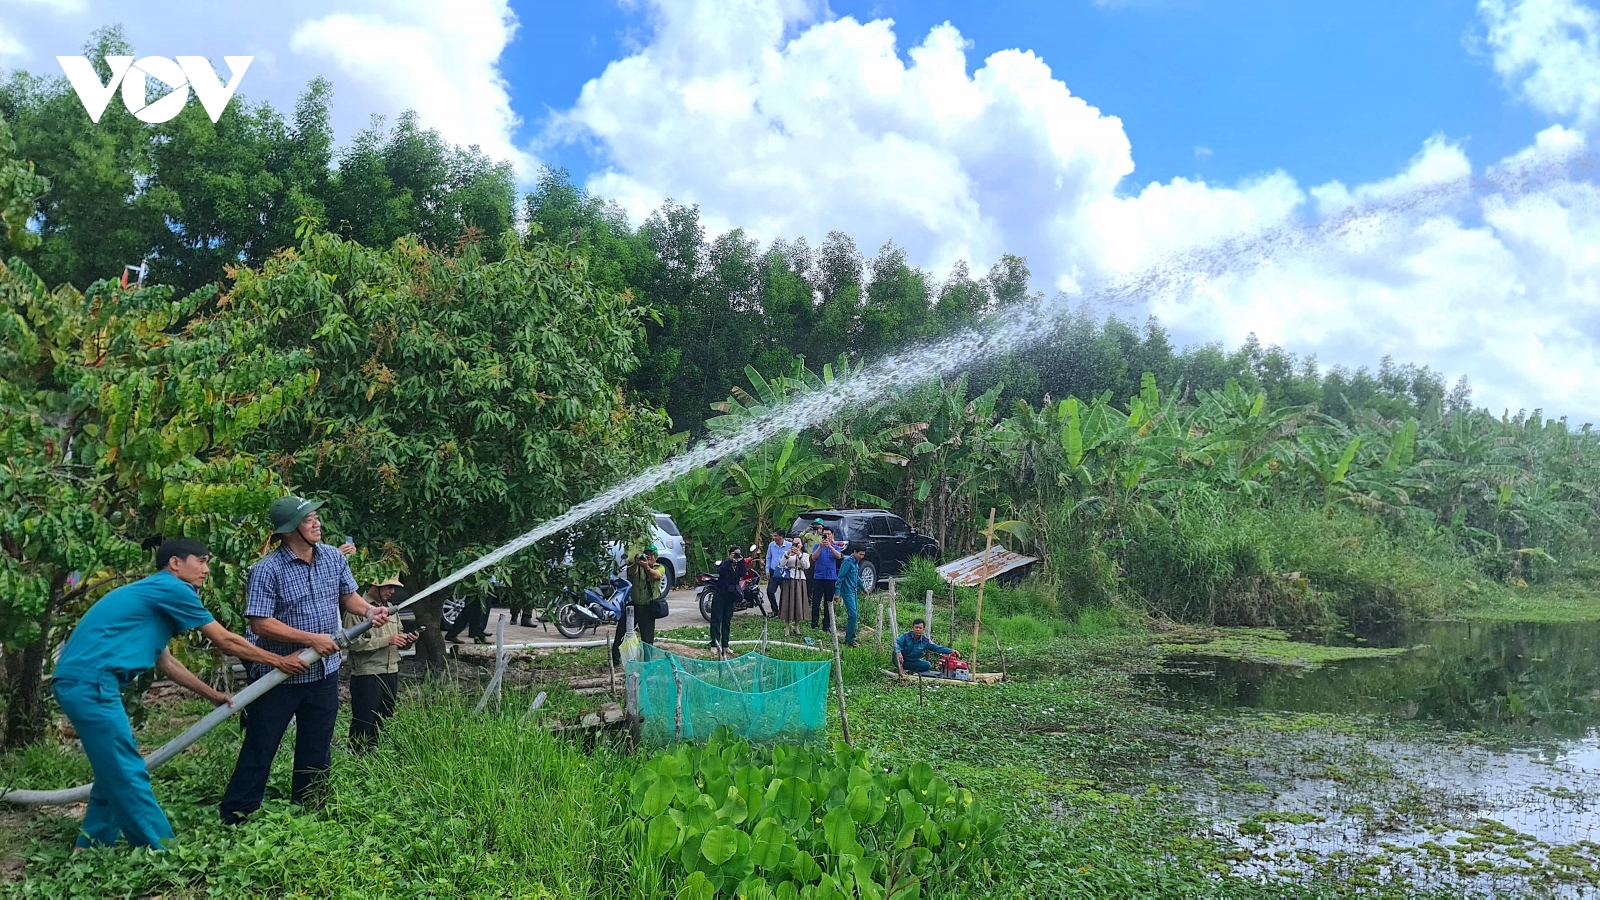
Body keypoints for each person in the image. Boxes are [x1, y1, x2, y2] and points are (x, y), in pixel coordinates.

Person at [52, 538, 310, 850]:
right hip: (91, 682)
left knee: (113, 767)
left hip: (87, 681)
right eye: (200, 561)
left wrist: (211, 694)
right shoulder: (171, 589)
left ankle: (91, 845)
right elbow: (225, 640)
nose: (206, 569)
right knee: (126, 768)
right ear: (175, 563)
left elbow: (166, 662)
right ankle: (160, 850)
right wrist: (279, 661)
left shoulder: (157, 594)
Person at [219, 496, 390, 825]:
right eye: (308, 519)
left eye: (316, 517)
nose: (317, 523)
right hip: (280, 673)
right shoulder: (267, 570)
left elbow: (347, 595)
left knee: (317, 743)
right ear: (288, 530)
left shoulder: (331, 557)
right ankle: (237, 813)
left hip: (324, 673)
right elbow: (260, 623)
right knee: (261, 744)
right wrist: (310, 639)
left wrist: (368, 610)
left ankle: (309, 807)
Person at [343, 576, 416, 751]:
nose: (392, 591)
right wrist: (387, 640)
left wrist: (408, 640)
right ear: (375, 585)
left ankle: (377, 755)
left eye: (394, 588)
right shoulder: (357, 610)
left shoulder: (391, 609)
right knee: (364, 719)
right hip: (367, 673)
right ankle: (356, 756)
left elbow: (397, 638)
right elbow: (352, 644)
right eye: (388, 587)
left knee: (385, 716)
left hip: (391, 670)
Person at [612, 546, 665, 664]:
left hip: (648, 608)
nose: (648, 557)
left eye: (651, 555)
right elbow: (631, 573)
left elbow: (655, 576)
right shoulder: (637, 568)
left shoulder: (659, 567)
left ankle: (647, 663)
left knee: (647, 640)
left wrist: (646, 567)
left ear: (656, 557)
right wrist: (636, 562)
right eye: (646, 554)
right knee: (621, 633)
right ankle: (615, 660)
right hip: (633, 607)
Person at [711, 546, 743, 657]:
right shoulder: (724, 564)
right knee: (716, 619)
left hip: (731, 596)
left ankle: (725, 644)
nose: (736, 556)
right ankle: (714, 644)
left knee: (727, 620)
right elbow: (720, 571)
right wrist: (730, 560)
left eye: (738, 554)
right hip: (720, 594)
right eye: (734, 554)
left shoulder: (739, 566)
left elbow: (743, 573)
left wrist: (741, 561)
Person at [810, 529, 843, 630]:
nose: (827, 536)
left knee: (828, 602)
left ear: (832, 535)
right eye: (825, 534)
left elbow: (839, 556)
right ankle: (814, 624)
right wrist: (821, 547)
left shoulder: (836, 547)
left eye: (829, 534)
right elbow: (813, 558)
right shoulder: (817, 546)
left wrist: (830, 547)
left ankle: (827, 624)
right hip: (818, 578)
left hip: (831, 578)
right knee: (816, 601)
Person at [777, 539, 810, 637]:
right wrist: (787, 554)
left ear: (801, 544)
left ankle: (796, 626)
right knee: (788, 602)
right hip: (789, 579)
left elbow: (807, 566)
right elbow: (781, 564)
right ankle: (787, 627)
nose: (796, 545)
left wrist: (799, 555)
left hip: (800, 579)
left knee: (798, 603)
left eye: (798, 543)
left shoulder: (805, 555)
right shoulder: (787, 553)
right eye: (794, 543)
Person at [837, 548, 865, 647]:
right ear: (855, 552)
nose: (861, 557)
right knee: (853, 614)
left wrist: (863, 588)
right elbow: (840, 577)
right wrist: (837, 593)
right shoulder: (847, 561)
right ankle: (849, 639)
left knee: (855, 615)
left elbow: (856, 577)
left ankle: (851, 637)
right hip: (847, 591)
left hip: (854, 591)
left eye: (863, 555)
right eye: (860, 554)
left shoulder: (855, 562)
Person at [764, 530, 787, 615]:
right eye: (773, 536)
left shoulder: (789, 545)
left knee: (784, 592)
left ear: (781, 537)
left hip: (784, 571)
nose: (774, 538)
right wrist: (767, 570)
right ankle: (775, 610)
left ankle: (783, 611)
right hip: (773, 571)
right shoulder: (771, 545)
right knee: (770, 591)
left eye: (776, 536)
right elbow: (768, 558)